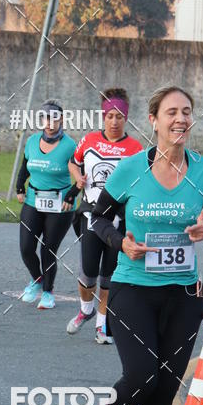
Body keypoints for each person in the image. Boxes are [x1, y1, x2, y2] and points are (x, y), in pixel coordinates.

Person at [81, 86, 203, 405]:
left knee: (166, 385)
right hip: (133, 288)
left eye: (186, 112)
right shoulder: (130, 169)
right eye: (171, 113)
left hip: (183, 296)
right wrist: (120, 242)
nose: (181, 119)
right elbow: (96, 217)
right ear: (154, 121)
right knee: (143, 374)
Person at [66, 88, 143, 344]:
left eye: (119, 115)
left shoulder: (135, 148)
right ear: (103, 116)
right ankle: (85, 310)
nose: (114, 121)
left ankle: (102, 325)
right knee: (88, 272)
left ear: (126, 117)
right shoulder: (88, 141)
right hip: (90, 214)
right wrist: (77, 178)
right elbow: (73, 162)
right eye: (110, 115)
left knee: (109, 275)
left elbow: (141, 182)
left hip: (118, 219)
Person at [16, 99, 76, 309]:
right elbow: (25, 167)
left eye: (54, 119)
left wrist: (72, 195)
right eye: (46, 118)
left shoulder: (70, 145)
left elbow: (81, 174)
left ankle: (48, 293)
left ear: (61, 120)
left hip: (60, 205)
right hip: (33, 201)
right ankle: (38, 280)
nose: (50, 123)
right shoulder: (32, 141)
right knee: (26, 248)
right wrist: (19, 187)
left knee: (48, 249)